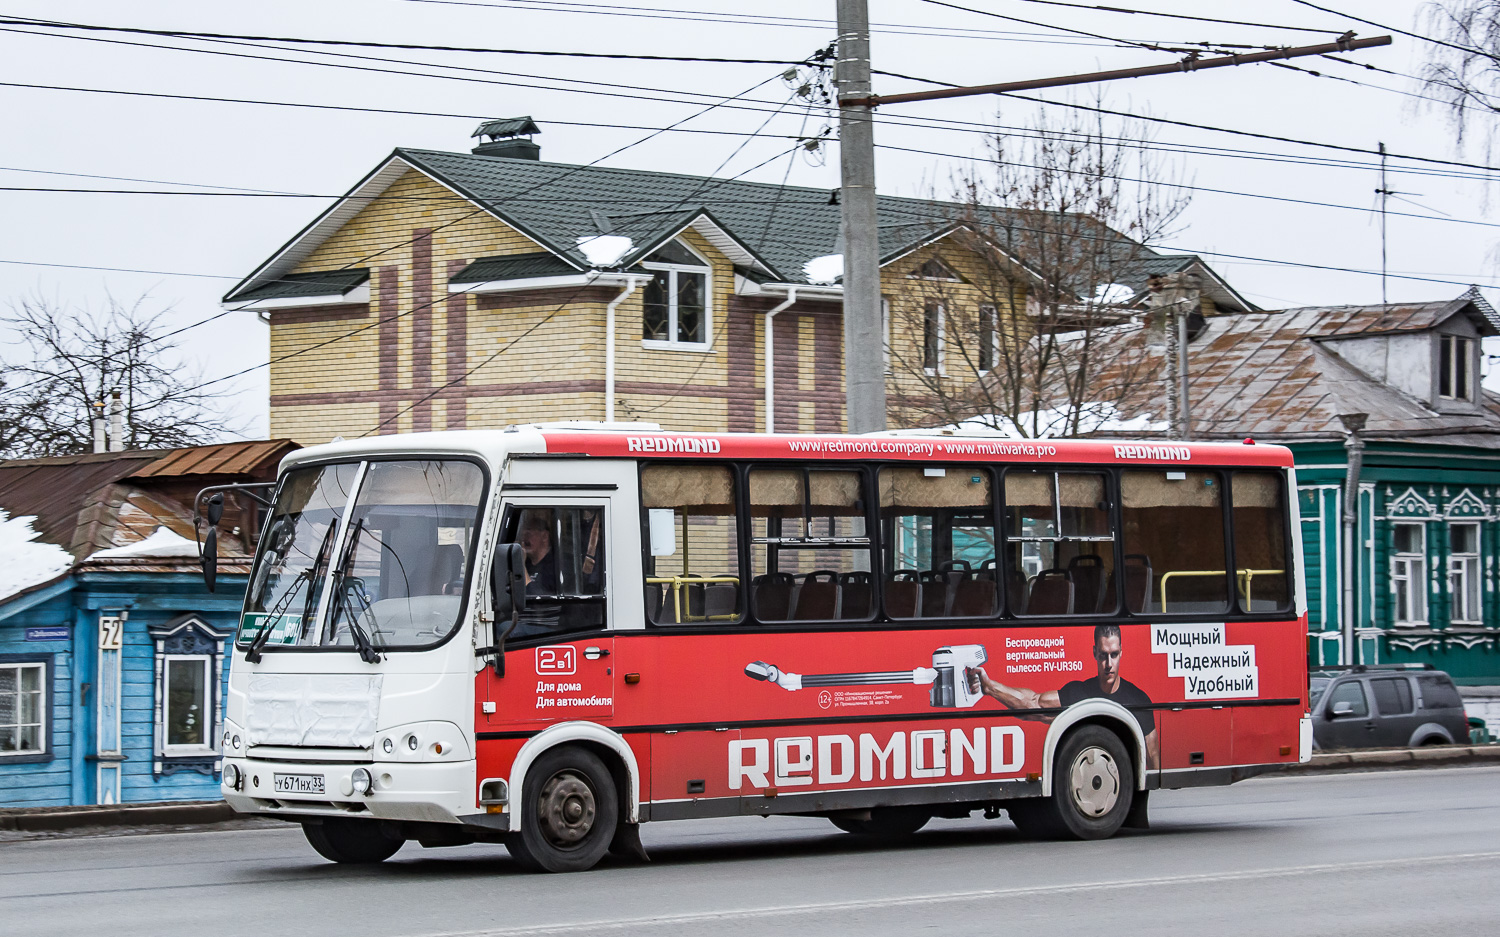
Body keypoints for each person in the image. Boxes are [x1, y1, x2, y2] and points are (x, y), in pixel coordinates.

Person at [968, 623, 1159, 769]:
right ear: (1094, 653)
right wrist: (990, 687)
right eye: (1103, 655)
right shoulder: (1079, 693)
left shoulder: (1138, 700)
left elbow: (1152, 755)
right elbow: (1034, 704)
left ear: (1121, 653)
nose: (1109, 663)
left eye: (1114, 655)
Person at [519, 511, 558, 596]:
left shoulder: (556, 566)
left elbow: (536, 598)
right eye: (522, 535)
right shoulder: (527, 563)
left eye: (528, 533)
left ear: (544, 536)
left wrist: (520, 564)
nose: (524, 539)